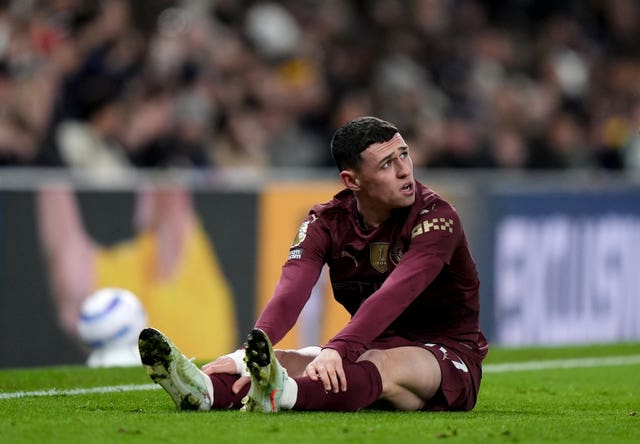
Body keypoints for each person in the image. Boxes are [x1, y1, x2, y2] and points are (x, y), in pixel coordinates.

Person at [139, 116, 488, 412]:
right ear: (352, 181)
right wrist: (248, 351)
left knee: (373, 363)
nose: (404, 171)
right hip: (373, 341)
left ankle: (283, 396)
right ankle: (203, 391)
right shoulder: (326, 222)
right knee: (287, 360)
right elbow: (291, 292)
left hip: (446, 352)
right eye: (386, 164)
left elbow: (398, 292)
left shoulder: (436, 216)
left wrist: (339, 348)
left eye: (404, 155)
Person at [37, 185, 238, 362]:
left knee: (75, 309)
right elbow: (64, 246)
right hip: (155, 364)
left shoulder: (178, 249)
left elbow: (173, 206)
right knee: (76, 308)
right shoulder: (136, 265)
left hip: (184, 363)